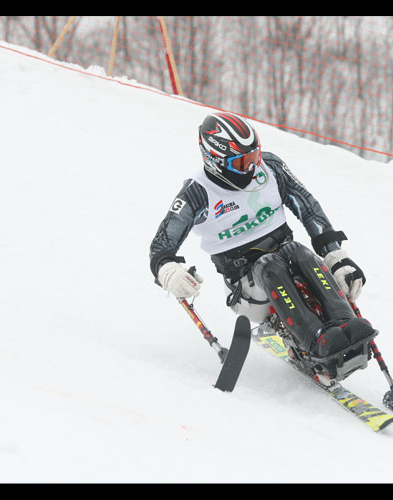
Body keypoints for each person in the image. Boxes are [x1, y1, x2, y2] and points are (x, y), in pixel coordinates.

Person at [149, 112, 374, 358]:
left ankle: (345, 322)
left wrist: (335, 255)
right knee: (271, 266)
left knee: (301, 252)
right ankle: (315, 339)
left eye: (254, 156)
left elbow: (308, 207)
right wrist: (168, 270)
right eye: (242, 163)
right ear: (215, 160)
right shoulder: (198, 193)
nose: (252, 168)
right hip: (245, 284)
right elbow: (162, 244)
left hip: (290, 257)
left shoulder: (271, 168)